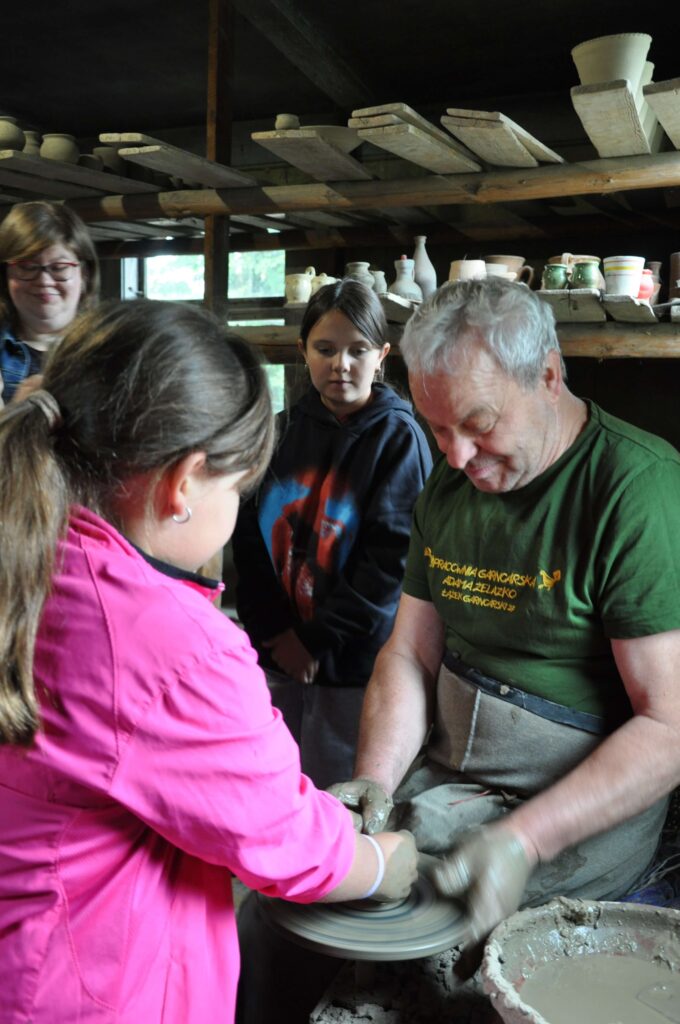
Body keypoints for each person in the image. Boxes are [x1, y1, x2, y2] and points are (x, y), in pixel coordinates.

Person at [0, 299, 417, 1024]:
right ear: (184, 483)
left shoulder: (32, 549)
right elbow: (279, 843)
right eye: (238, 486)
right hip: (94, 986)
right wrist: (384, 862)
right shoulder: (168, 641)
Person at [329, 277, 680, 948]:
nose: (456, 456)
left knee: (448, 948)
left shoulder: (637, 490)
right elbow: (409, 653)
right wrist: (373, 781)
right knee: (315, 903)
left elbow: (669, 724)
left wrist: (523, 841)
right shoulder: (452, 481)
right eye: (437, 429)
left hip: (577, 804)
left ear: (548, 375)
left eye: (479, 424)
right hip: (453, 773)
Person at [231, 279, 433, 787]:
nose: (341, 363)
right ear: (304, 352)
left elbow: (390, 563)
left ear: (382, 355)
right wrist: (278, 635)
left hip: (353, 664)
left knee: (334, 791)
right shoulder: (278, 433)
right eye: (325, 349)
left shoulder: (398, 440)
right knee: (272, 778)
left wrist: (315, 641)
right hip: (276, 652)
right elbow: (249, 537)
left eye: (357, 349)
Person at [0, 200, 99, 405]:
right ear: (5, 274)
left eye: (60, 267)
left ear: (84, 275)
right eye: (27, 266)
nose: (44, 281)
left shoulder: (112, 348)